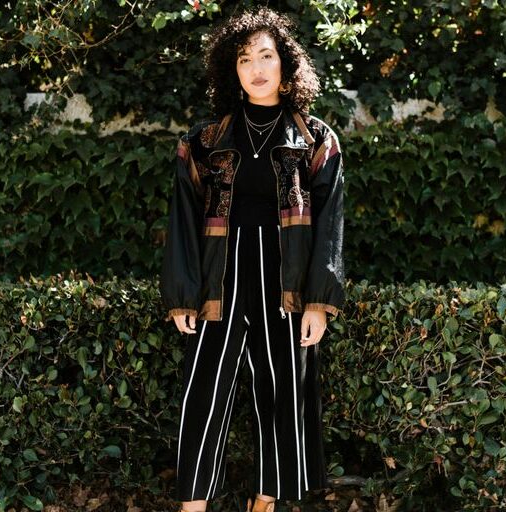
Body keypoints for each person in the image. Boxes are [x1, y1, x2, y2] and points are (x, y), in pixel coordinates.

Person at [159, 6, 346, 512]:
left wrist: (318, 302)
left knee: (284, 398)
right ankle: (192, 507)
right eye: (245, 59)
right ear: (232, 70)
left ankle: (264, 503)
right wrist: (182, 295)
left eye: (267, 56)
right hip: (218, 283)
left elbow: (329, 225)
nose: (257, 68)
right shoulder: (203, 141)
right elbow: (182, 221)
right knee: (204, 398)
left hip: (285, 283)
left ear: (286, 64)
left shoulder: (315, 139)